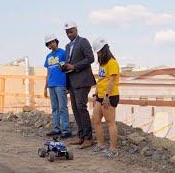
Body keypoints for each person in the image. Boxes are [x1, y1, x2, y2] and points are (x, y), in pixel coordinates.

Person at [62, 21, 96, 149]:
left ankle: (88, 138)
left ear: (76, 29)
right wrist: (64, 67)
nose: (69, 34)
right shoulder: (67, 46)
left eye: (71, 31)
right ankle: (81, 136)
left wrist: (74, 66)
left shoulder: (83, 41)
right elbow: (69, 62)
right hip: (72, 81)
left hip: (82, 80)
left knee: (81, 107)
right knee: (76, 109)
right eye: (67, 33)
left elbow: (90, 58)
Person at [90, 38, 120, 157]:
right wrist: (96, 94)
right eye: (97, 52)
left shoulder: (112, 62)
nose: (98, 54)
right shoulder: (103, 64)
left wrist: (107, 96)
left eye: (99, 52)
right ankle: (100, 145)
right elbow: (101, 81)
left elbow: (112, 81)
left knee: (110, 122)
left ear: (105, 50)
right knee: (95, 120)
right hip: (100, 96)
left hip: (110, 96)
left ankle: (113, 150)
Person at [43, 34, 71, 139]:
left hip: (61, 84)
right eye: (49, 43)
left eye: (53, 42)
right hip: (51, 85)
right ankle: (56, 129)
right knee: (54, 108)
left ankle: (66, 130)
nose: (51, 44)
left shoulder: (63, 53)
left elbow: (68, 70)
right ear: (47, 45)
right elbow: (48, 72)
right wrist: (45, 87)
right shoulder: (48, 57)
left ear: (56, 41)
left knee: (62, 107)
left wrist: (68, 85)